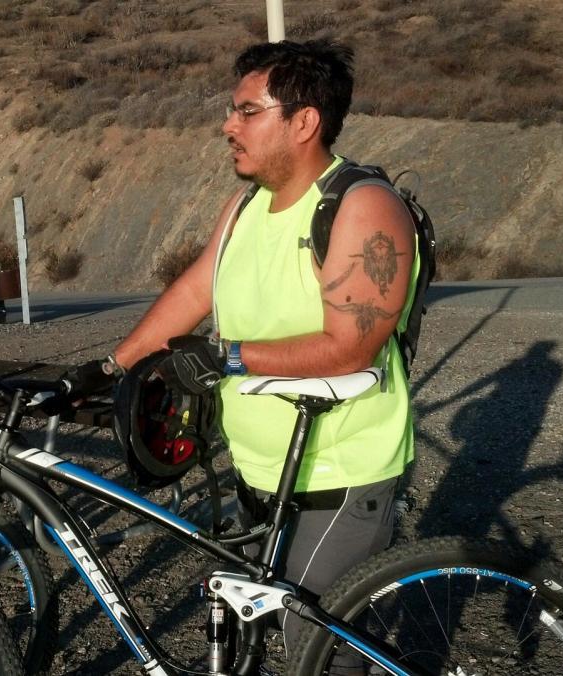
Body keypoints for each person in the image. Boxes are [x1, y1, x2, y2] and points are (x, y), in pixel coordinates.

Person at [80, 39, 418, 666]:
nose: (227, 126)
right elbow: (196, 289)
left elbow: (352, 346)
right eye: (232, 111)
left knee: (314, 649)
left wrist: (226, 357)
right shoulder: (244, 205)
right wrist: (109, 369)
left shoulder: (362, 206)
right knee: (246, 637)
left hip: (339, 471)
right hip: (260, 469)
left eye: (247, 111)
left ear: (304, 121)